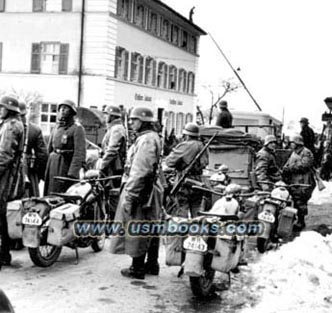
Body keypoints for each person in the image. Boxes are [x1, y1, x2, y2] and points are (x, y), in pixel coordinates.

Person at [110, 107, 163, 280]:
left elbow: (140, 171)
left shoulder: (146, 140)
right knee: (151, 226)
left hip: (141, 190)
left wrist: (130, 196)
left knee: (137, 227)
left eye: (134, 120)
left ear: (143, 121)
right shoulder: (149, 137)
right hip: (147, 188)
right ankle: (152, 264)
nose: (131, 122)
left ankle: (138, 268)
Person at [165, 122, 209, 217]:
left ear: (186, 135)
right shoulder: (202, 146)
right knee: (196, 210)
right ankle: (196, 229)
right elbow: (205, 163)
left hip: (184, 181)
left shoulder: (185, 145)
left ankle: (182, 230)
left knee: (181, 209)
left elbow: (169, 162)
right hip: (198, 181)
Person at [0, 96, 24, 266]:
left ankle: (4, 254)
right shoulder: (9, 124)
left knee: (1, 213)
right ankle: (4, 252)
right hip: (6, 173)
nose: (0, 110)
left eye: (2, 107)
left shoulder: (11, 126)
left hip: (5, 174)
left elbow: (4, 155)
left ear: (10, 109)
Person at [44, 100, 86, 195]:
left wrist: (72, 173)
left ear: (72, 111)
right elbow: (50, 147)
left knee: (62, 192)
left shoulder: (77, 128)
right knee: (50, 191)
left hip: (65, 164)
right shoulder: (56, 127)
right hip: (53, 163)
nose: (62, 110)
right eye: (61, 108)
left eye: (66, 108)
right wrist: (46, 164)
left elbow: (79, 153)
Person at [282, 135, 316, 231]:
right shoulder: (294, 152)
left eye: (292, 143)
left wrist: (289, 169)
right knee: (295, 200)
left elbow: (304, 165)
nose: (290, 145)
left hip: (304, 181)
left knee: (301, 201)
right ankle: (295, 220)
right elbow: (288, 163)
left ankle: (301, 221)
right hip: (295, 180)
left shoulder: (306, 152)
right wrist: (285, 168)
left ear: (297, 143)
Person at [100, 105, 127, 218]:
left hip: (114, 168)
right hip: (112, 167)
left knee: (113, 197)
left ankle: (115, 225)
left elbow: (112, 150)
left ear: (111, 116)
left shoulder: (117, 129)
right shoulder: (114, 128)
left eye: (106, 114)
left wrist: (101, 165)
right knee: (110, 197)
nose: (104, 116)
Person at [19, 102, 48, 197]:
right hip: (29, 171)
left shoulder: (5, 127)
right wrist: (39, 174)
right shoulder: (35, 130)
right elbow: (42, 155)